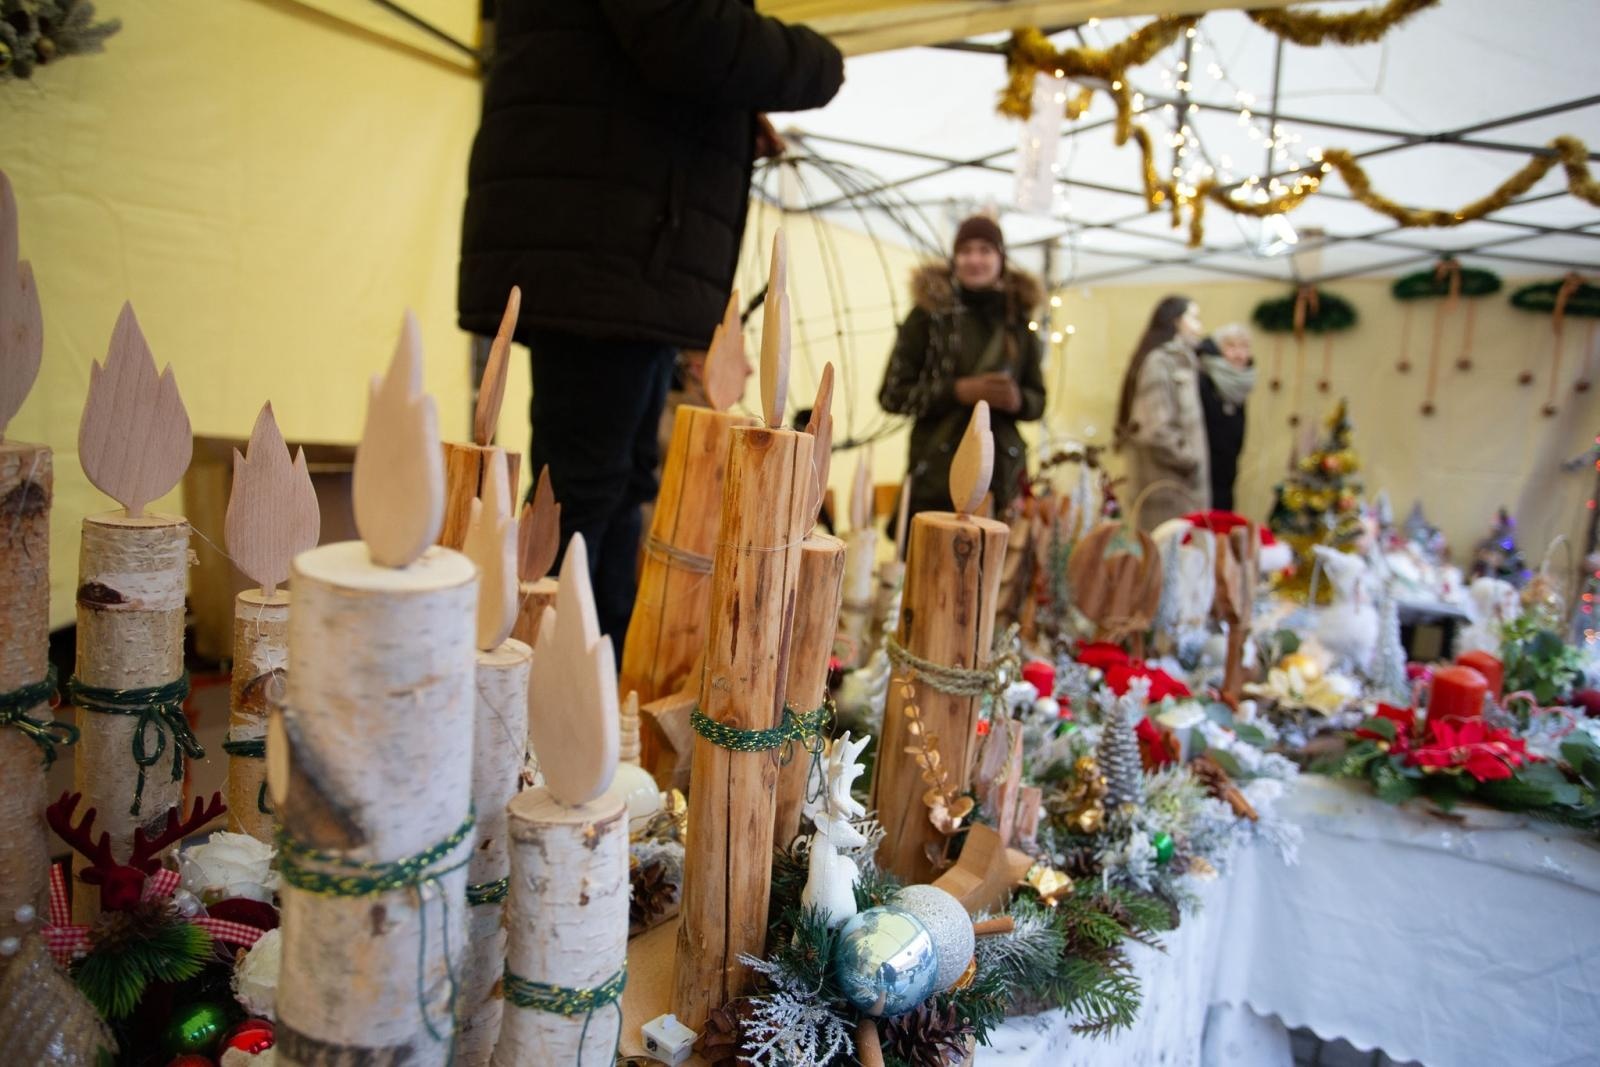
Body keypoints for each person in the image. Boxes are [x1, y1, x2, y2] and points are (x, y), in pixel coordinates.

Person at [458, 1, 844, 649]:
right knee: (581, 491)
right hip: (607, 246)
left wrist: (727, 117)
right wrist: (821, 64)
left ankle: (590, 680)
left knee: (611, 482)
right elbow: (683, 31)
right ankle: (546, 695)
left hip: (619, 247)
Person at [878, 215, 1045, 526]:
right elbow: (892, 395)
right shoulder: (928, 315)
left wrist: (1017, 400)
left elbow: (1039, 400)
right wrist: (959, 391)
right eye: (966, 250)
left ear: (1001, 258)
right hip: (934, 480)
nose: (975, 259)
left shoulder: (1018, 322)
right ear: (954, 258)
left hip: (1000, 480)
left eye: (985, 250)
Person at [1114, 296, 1209, 532]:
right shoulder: (1159, 362)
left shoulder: (1182, 361)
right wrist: (1190, 459)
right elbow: (1155, 428)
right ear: (1176, 322)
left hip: (1182, 487)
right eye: (1193, 318)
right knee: (1165, 557)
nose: (1199, 327)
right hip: (1168, 489)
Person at [1196, 323, 1256, 512]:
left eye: (1245, 347)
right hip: (1200, 475)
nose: (1240, 355)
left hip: (1227, 475)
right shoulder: (1202, 382)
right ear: (1217, 350)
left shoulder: (1237, 387)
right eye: (1231, 347)